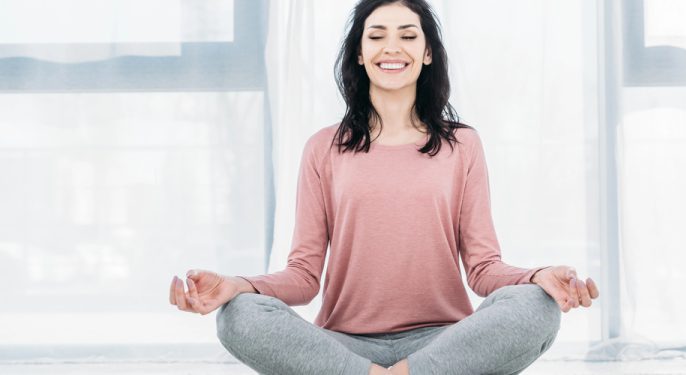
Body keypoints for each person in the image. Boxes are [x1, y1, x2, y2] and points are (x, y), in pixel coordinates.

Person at [169, 0, 600, 374]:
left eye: (408, 37)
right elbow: (303, 276)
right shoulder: (323, 148)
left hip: (441, 343)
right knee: (238, 315)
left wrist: (537, 277)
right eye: (376, 36)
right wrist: (235, 285)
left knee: (535, 308)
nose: (391, 47)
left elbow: (484, 268)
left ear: (427, 53)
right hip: (345, 346)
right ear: (359, 53)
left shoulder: (462, 144)